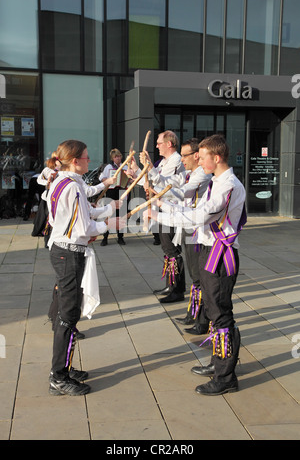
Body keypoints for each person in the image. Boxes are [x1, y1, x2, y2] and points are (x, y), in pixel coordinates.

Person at [145, 134, 246, 395]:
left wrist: (161, 214)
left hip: (220, 254)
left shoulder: (229, 185)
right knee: (214, 312)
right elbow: (192, 207)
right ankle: (219, 362)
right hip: (209, 250)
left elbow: (201, 215)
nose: (198, 161)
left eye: (202, 157)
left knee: (222, 314)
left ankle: (226, 377)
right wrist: (163, 207)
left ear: (217, 157)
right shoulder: (216, 181)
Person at [46, 139, 125, 396]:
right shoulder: (72, 186)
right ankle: (58, 376)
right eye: (86, 157)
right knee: (67, 317)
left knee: (68, 316)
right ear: (75, 160)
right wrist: (110, 224)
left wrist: (105, 208)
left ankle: (65, 368)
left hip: (63, 250)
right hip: (68, 253)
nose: (89, 161)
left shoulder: (64, 181)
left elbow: (82, 212)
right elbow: (83, 228)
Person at [138, 130, 186, 303]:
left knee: (172, 250)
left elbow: (167, 184)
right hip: (161, 209)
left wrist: (150, 167)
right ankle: (170, 285)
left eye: (159, 143)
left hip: (171, 210)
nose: (157, 146)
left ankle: (177, 289)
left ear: (169, 144)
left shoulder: (177, 161)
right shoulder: (164, 161)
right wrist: (137, 171)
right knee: (167, 249)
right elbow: (152, 179)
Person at [99, 148, 130, 246]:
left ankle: (120, 237)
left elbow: (129, 179)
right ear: (112, 158)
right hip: (111, 191)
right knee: (109, 213)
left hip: (121, 191)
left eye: (119, 156)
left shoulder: (124, 167)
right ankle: (105, 237)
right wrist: (107, 180)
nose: (118, 158)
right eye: (116, 157)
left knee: (121, 214)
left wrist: (129, 180)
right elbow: (101, 177)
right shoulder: (109, 167)